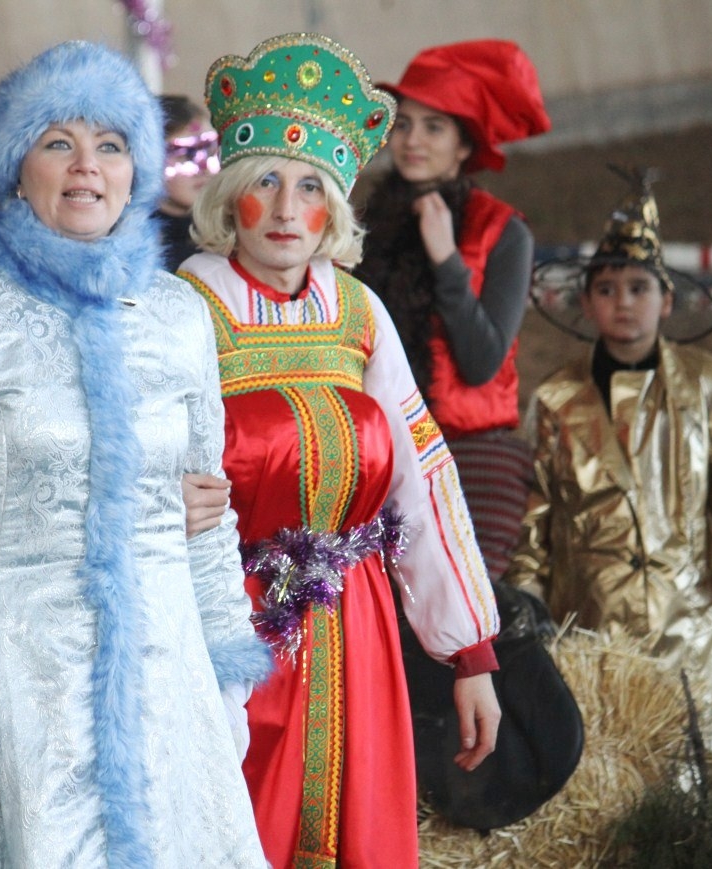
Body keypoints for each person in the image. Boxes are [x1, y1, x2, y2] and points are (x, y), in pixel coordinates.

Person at [0, 41, 269, 867]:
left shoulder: (180, 314)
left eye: (110, 144)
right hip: (12, 686)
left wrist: (224, 659)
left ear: (137, 170)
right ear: (15, 167)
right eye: (57, 142)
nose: (86, 167)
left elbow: (207, 507)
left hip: (163, 680)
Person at [176, 33, 502, 868]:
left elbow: (423, 478)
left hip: (357, 628)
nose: (288, 209)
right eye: (266, 183)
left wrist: (469, 651)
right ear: (232, 196)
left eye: (311, 186)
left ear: (336, 206)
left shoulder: (357, 312)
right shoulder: (182, 311)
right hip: (229, 634)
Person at [505, 167, 712, 798]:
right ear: (586, 303)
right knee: (611, 782)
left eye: (638, 287)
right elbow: (536, 509)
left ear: (666, 301)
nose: (623, 302)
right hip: (592, 617)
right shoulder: (556, 399)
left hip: (693, 616)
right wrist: (527, 590)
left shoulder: (708, 383)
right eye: (606, 289)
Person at [352, 39, 550, 579]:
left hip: (469, 454)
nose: (412, 140)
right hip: (376, 446)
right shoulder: (360, 223)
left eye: (433, 127)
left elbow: (482, 362)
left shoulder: (502, 230)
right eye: (403, 124)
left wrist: (446, 260)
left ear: (465, 145)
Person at [155, 94, 220, 271]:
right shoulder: (136, 241)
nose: (204, 168)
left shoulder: (231, 231)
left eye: (210, 152)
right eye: (186, 155)